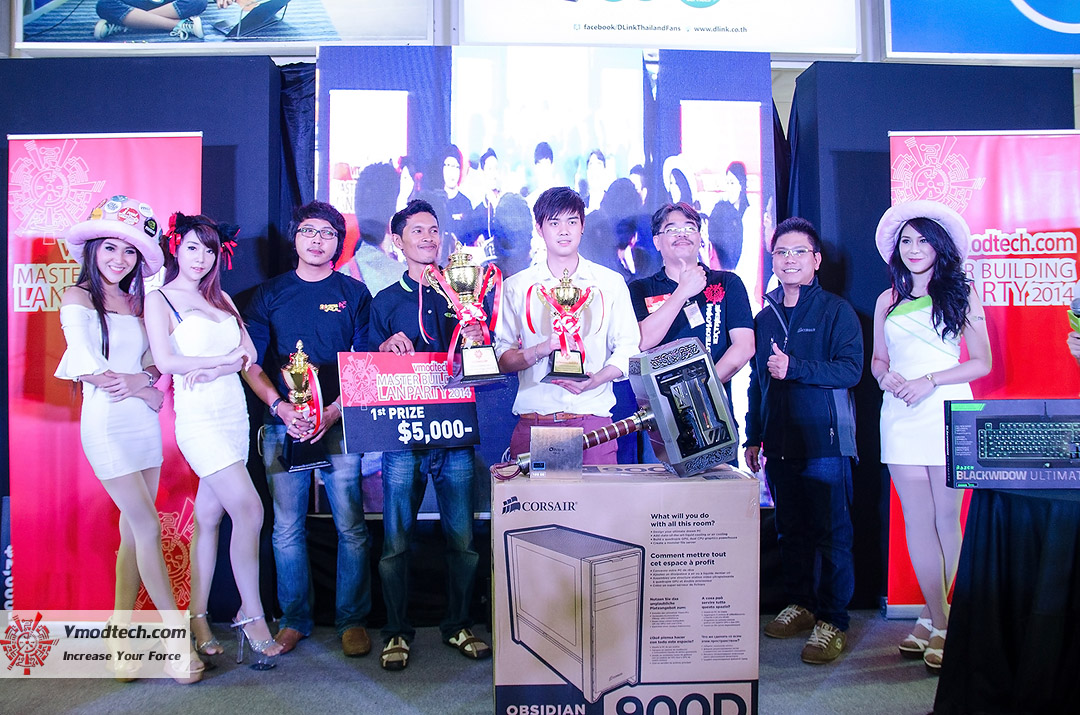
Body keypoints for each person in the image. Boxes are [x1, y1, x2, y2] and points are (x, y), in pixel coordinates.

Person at [54, 195, 202, 683]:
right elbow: (85, 364)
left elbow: (156, 361)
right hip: (107, 425)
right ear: (93, 249)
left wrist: (144, 381)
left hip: (142, 425)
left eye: (130, 251)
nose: (119, 259)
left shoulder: (140, 301)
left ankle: (120, 637)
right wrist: (141, 385)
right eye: (110, 248)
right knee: (148, 528)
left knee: (131, 534)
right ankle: (176, 640)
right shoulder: (77, 298)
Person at [144, 213, 284, 668]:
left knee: (209, 516)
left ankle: (198, 618)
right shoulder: (160, 298)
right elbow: (166, 361)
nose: (200, 258)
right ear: (175, 248)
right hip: (199, 419)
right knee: (250, 510)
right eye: (192, 248)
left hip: (232, 414)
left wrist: (218, 365)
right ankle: (252, 615)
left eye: (209, 250)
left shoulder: (221, 297)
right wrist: (222, 362)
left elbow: (249, 354)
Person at [243, 200, 374, 657]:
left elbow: (363, 363)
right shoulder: (268, 294)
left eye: (328, 233)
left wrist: (333, 411)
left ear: (339, 242)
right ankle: (294, 619)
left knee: (351, 527)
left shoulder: (355, 294)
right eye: (309, 231)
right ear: (295, 238)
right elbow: (251, 364)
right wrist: (281, 408)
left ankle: (352, 620)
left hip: (339, 424)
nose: (318, 240)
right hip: (285, 425)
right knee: (286, 528)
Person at [368, 200, 491, 671]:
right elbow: (365, 366)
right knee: (396, 542)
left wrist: (476, 340)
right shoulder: (384, 300)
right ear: (398, 241)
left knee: (462, 540)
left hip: (453, 432)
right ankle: (396, 631)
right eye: (417, 230)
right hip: (402, 436)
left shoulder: (463, 296)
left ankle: (458, 624)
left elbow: (484, 359)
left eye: (434, 230)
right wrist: (383, 346)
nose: (428, 237)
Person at [871, 200, 991, 673]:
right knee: (917, 521)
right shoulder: (887, 300)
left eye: (923, 240)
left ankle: (938, 622)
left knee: (946, 518)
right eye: (906, 240)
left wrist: (930, 380)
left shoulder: (962, 293)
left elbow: (981, 363)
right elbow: (879, 359)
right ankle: (938, 618)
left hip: (946, 409)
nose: (914, 248)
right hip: (899, 413)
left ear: (939, 246)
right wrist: (885, 377)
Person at [745, 217, 862, 665]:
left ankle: (833, 620)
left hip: (826, 444)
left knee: (833, 536)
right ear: (773, 260)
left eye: (798, 252)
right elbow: (758, 384)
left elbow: (850, 370)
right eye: (781, 252)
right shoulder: (764, 318)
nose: (789, 259)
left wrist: (795, 367)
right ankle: (801, 604)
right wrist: (754, 436)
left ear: (816, 260)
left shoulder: (836, 311)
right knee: (789, 530)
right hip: (779, 444)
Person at [495, 186, 641, 464]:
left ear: (582, 226)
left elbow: (628, 349)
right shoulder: (517, 287)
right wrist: (541, 349)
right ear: (539, 229)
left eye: (572, 221)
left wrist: (596, 379)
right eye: (554, 223)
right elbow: (503, 358)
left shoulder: (610, 283)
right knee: (535, 496)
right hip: (535, 421)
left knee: (598, 495)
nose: (564, 231)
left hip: (592, 422)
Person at [629, 202, 755, 412]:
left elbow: (744, 346)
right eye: (672, 229)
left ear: (699, 237)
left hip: (714, 407)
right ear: (657, 242)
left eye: (689, 228)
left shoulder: (727, 283)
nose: (682, 234)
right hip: (659, 411)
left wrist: (702, 390)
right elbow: (642, 341)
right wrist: (682, 291)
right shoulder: (640, 288)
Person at [93, 0, 209, 41]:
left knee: (198, 1)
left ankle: (128, 23)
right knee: (105, 4)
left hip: (168, 6)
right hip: (137, 4)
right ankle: (177, 25)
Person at [707, 161, 750, 270]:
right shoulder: (720, 210)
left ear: (741, 185)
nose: (729, 188)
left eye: (732, 183)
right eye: (727, 183)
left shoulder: (750, 213)